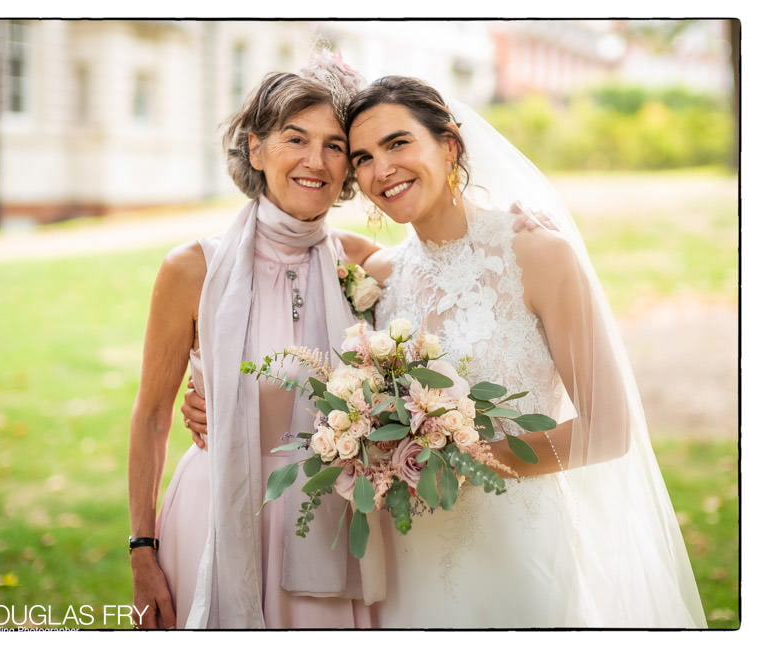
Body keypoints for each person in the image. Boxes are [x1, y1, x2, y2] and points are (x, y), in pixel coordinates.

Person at [338, 75, 707, 628]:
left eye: (397, 143)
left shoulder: (537, 255)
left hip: (518, 549)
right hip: (410, 554)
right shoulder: (377, 278)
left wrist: (461, 459)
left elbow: (606, 431)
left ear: (450, 145)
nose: (380, 169)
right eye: (362, 157)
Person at [127, 57, 388, 629]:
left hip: (330, 525)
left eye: (335, 145)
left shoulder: (367, 264)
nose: (314, 162)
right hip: (217, 510)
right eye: (295, 138)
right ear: (255, 147)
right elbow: (150, 416)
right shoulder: (192, 269)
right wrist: (141, 551)